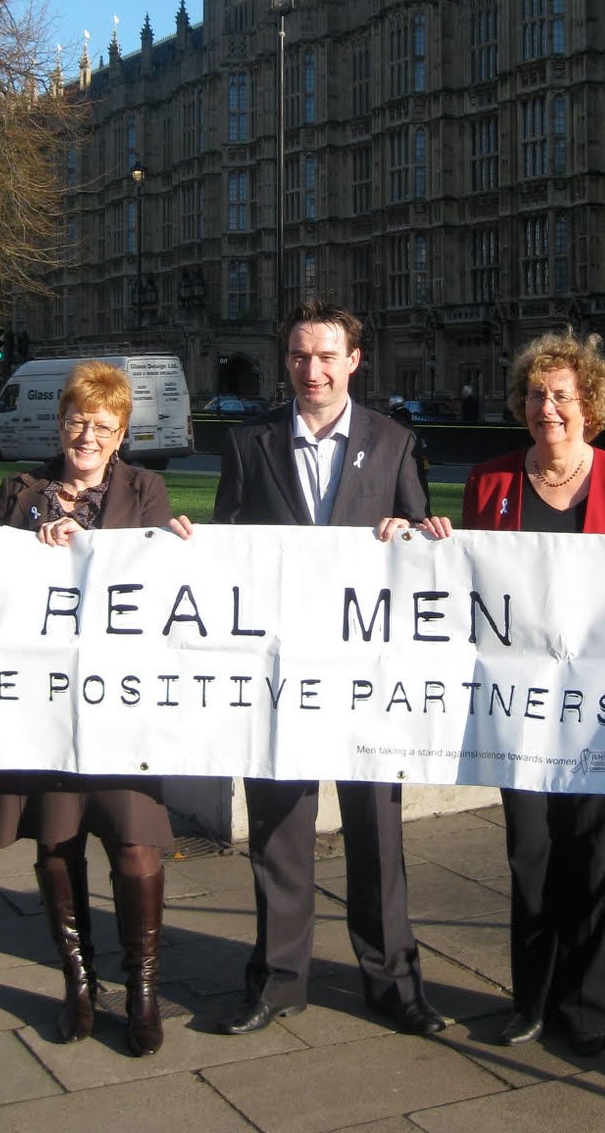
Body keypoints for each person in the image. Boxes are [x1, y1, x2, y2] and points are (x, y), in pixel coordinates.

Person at [0, 361, 193, 1056]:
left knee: (136, 845)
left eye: (103, 426)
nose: (88, 435)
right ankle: (78, 984)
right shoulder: (19, 491)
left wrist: (180, 552)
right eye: (78, 421)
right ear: (60, 424)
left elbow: (155, 578)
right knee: (57, 846)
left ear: (122, 436)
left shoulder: (148, 491)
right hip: (38, 709)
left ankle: (142, 990)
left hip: (119, 707)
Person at [213, 296, 451, 1038]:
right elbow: (224, 552)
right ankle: (278, 981)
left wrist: (417, 531)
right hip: (280, 675)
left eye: (325, 356)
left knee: (377, 834)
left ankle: (393, 982)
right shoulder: (248, 442)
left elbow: (420, 543)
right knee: (278, 829)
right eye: (297, 356)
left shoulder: (393, 443)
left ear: (354, 361)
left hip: (367, 679)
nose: (310, 370)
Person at [461, 330, 605, 1055]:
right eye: (535, 394)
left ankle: (586, 1009)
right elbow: (465, 589)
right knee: (530, 855)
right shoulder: (491, 482)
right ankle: (531, 999)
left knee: (592, 858)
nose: (547, 408)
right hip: (520, 712)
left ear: (589, 404)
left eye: (561, 395)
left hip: (597, 716)